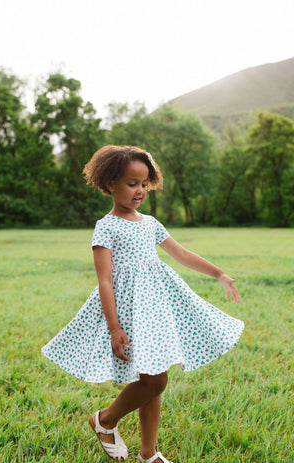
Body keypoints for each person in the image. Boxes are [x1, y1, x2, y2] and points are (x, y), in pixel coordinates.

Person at [42, 145, 244, 463]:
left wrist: (218, 273)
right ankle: (105, 420)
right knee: (155, 381)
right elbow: (105, 280)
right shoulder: (106, 227)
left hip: (156, 309)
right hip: (128, 312)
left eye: (144, 184)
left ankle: (148, 454)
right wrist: (114, 328)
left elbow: (182, 254)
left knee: (153, 377)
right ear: (109, 184)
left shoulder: (150, 223)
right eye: (131, 183)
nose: (139, 191)